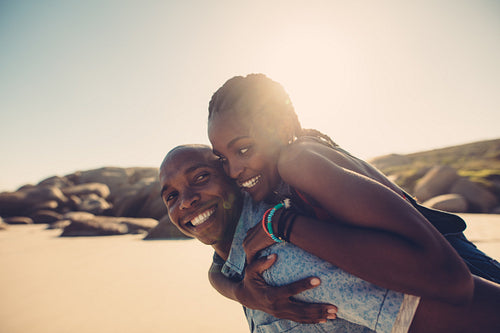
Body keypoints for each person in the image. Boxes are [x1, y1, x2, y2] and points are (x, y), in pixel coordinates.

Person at [159, 144, 500, 333]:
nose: (185, 201)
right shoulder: (237, 261)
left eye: (201, 177)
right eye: (170, 196)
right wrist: (237, 292)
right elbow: (216, 268)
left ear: (233, 177)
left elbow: (479, 312)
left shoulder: (282, 258)